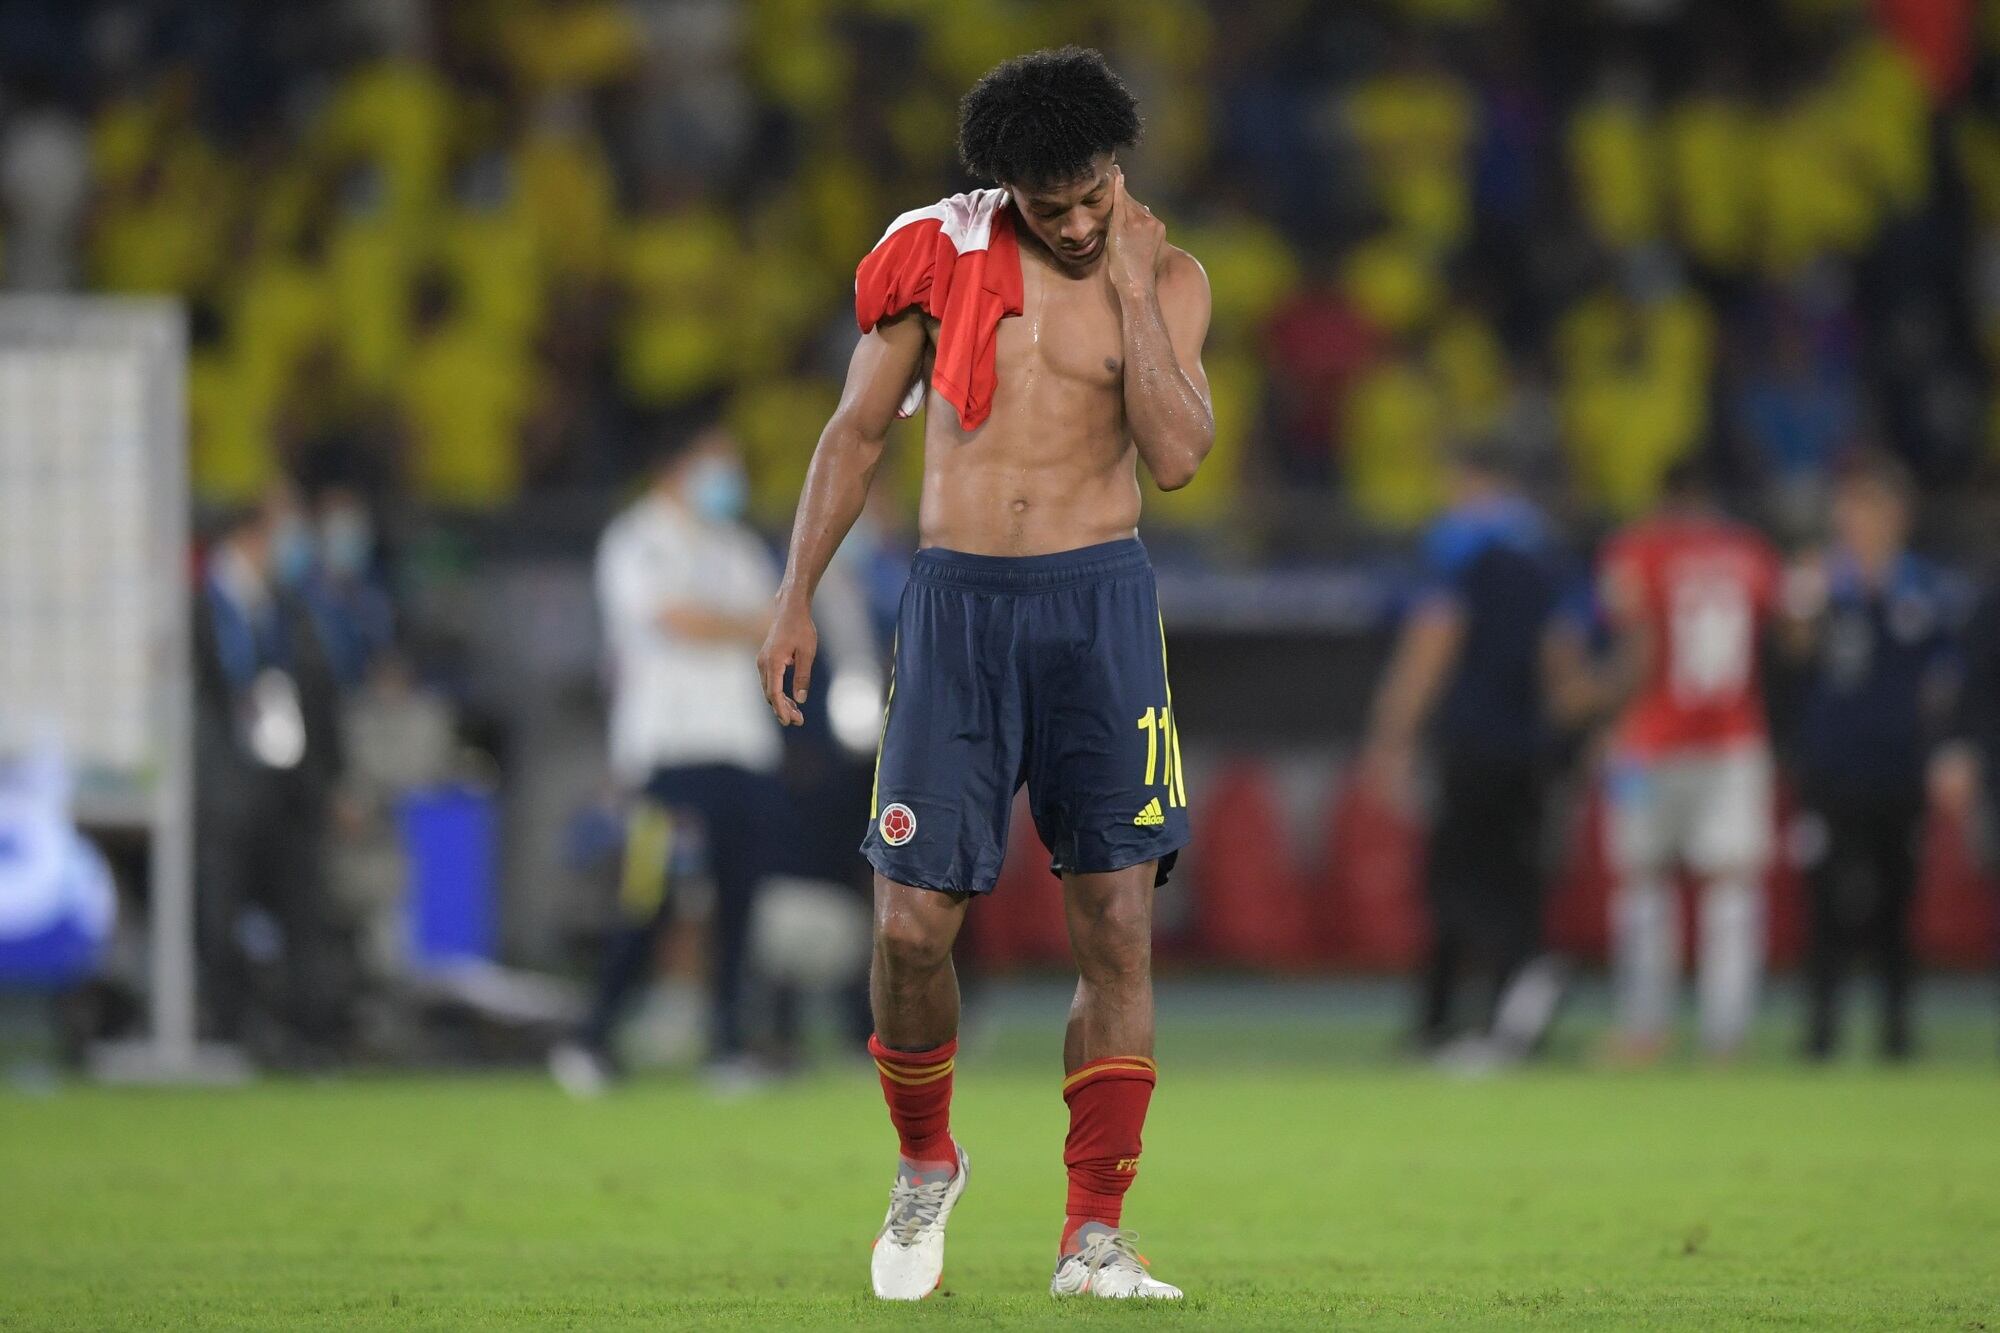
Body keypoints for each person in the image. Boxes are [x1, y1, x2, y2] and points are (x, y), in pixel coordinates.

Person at [756, 48, 1212, 1302]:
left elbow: (1175, 455)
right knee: (909, 925)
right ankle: (922, 1162)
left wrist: (1126, 287)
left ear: (1119, 174)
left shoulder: (1167, 275)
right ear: (1004, 189)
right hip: (957, 608)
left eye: (1090, 198)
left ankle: (1092, 1234)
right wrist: (795, 593)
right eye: (1046, 204)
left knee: (1116, 920)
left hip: (1100, 606)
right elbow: (854, 432)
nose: (1072, 224)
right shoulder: (936, 253)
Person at [550, 421, 788, 1096]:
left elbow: (777, 621)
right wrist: (740, 624)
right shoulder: (637, 540)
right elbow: (673, 619)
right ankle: (590, 1035)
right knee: (649, 895)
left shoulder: (739, 546)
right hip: (665, 751)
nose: (728, 480)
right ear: (674, 468)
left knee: (739, 901)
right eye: (717, 464)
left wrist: (733, 623)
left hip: (741, 745)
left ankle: (727, 1044)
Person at [1359, 441, 1587, 1067]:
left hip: (1471, 742)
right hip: (1529, 749)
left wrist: (1392, 736)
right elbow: (1563, 661)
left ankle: (1437, 1023)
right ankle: (1514, 1024)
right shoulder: (1550, 552)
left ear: (1471, 479)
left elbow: (1433, 640)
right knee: (1518, 886)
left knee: (1452, 883)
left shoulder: (1459, 545)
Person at [1597, 459, 1782, 1063]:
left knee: (1641, 882)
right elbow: (1786, 637)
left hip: (1646, 743)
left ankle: (1644, 1028)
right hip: (1735, 740)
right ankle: (1726, 1034)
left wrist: (1608, 716)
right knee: (1732, 887)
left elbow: (1640, 643)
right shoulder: (1752, 553)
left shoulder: (1636, 549)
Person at [1781, 451, 1960, 1061]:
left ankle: (1897, 1034)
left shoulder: (1928, 589)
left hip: (1900, 766)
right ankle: (1822, 1033)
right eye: (1851, 507)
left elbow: (1950, 683)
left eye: (1871, 507)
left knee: (1896, 901)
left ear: (1899, 515)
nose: (1859, 519)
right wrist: (1803, 602)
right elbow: (1795, 656)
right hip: (1832, 765)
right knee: (1826, 899)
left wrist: (1947, 750)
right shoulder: (1821, 583)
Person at [192, 483, 351, 1061]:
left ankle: (310, 1036)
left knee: (306, 915)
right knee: (221, 914)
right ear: (250, 535)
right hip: (227, 791)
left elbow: (321, 698)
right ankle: (228, 1030)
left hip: (293, 789)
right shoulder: (201, 608)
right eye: (282, 528)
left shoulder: (291, 609)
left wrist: (332, 780)